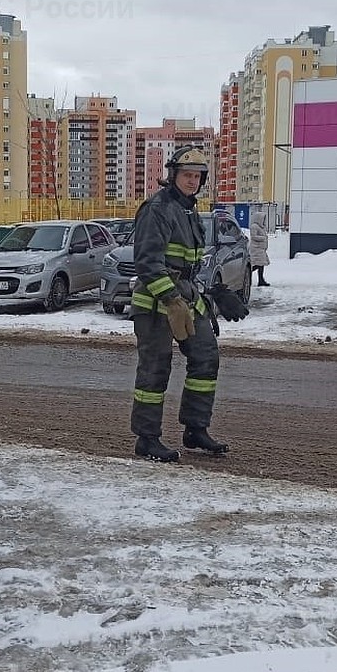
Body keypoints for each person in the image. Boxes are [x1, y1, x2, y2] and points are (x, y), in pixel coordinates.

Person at [128, 145, 228, 463]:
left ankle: (195, 429)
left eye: (197, 176)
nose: (192, 181)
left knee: (206, 356)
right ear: (173, 176)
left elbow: (189, 265)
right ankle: (147, 439)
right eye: (186, 175)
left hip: (185, 296)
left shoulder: (189, 210)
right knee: (155, 370)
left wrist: (213, 295)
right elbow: (146, 262)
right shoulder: (158, 208)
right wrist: (170, 299)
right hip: (156, 302)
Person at [249, 212, 270, 286]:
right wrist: (263, 238)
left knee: (261, 264)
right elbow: (253, 236)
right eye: (263, 218)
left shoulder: (262, 227)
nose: (264, 220)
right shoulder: (254, 226)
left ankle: (261, 280)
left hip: (261, 249)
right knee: (257, 265)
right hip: (256, 249)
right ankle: (246, 275)